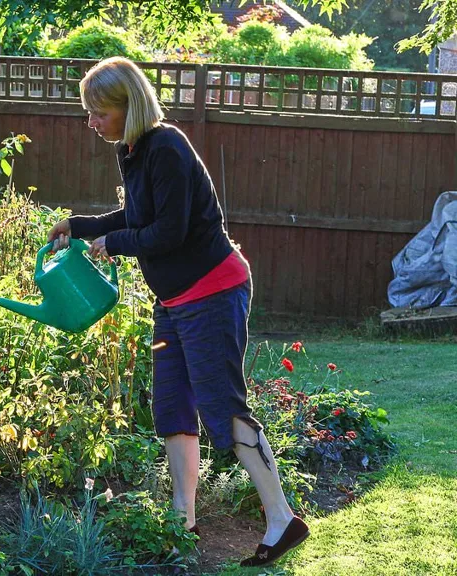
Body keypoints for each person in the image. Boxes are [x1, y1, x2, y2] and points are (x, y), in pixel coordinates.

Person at [47, 56, 309, 568]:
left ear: (129, 105)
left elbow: (166, 232)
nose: (91, 122)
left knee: (223, 406)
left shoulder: (166, 147)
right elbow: (138, 215)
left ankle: (282, 519)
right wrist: (79, 226)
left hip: (211, 293)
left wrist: (111, 243)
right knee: (172, 407)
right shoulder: (135, 151)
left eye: (98, 112)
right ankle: (181, 523)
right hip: (174, 302)